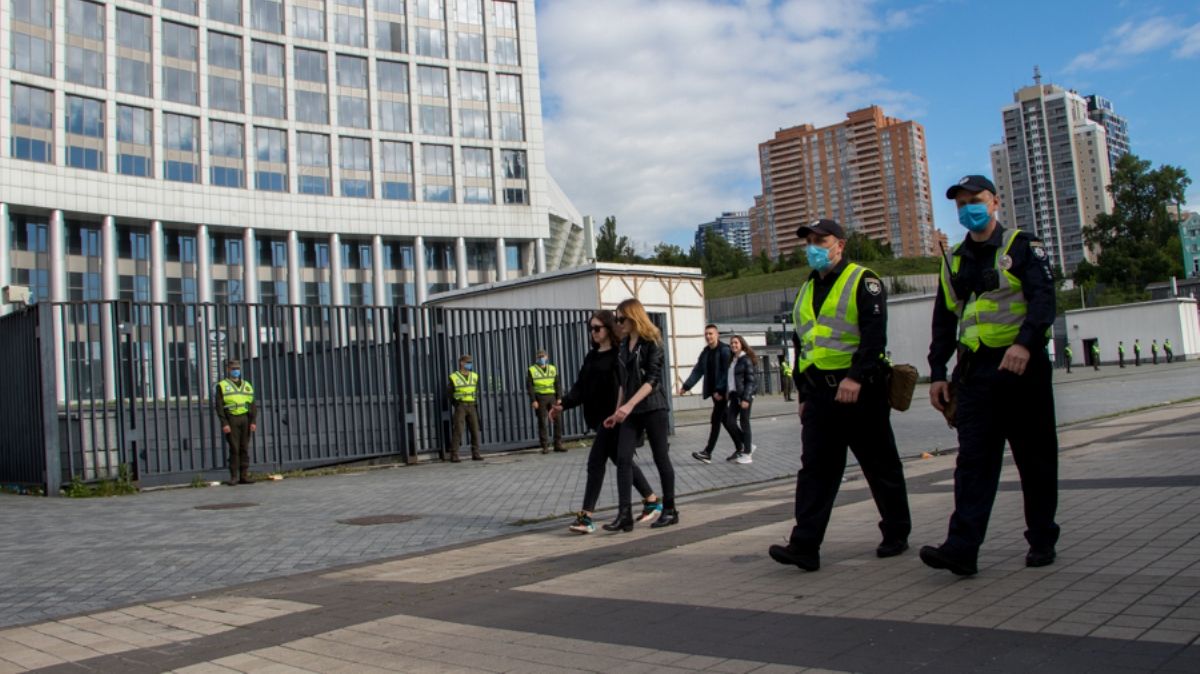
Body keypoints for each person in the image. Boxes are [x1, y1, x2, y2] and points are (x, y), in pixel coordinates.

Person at [923, 175, 1060, 577]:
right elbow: (944, 320)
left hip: (1021, 368)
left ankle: (1041, 538)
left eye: (975, 200)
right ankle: (961, 549)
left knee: (1034, 459)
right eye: (961, 203)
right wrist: (936, 372)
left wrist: (1025, 343)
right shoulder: (955, 260)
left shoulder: (1021, 246)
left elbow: (1043, 300)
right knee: (973, 464)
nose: (968, 209)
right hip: (976, 372)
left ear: (995, 201)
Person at [768, 219, 911, 572]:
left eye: (821, 240)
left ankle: (896, 531)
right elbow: (802, 344)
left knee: (880, 465)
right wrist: (802, 394)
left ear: (840, 244)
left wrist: (856, 377)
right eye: (810, 241)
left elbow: (875, 335)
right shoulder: (805, 289)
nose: (814, 246)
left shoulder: (864, 280)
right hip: (818, 396)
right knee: (815, 471)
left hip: (859, 391)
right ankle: (804, 546)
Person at [551, 310, 663, 534]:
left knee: (595, 463)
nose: (593, 332)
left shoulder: (618, 355)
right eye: (591, 328)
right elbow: (581, 387)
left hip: (614, 418)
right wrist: (563, 404)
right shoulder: (592, 356)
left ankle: (586, 516)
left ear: (609, 329)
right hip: (599, 419)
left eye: (597, 328)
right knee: (622, 462)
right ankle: (651, 500)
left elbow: (625, 386)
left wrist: (620, 412)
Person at [604, 298, 678, 531]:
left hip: (653, 407)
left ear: (634, 317)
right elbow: (623, 383)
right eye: (616, 319)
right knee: (623, 458)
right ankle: (624, 514)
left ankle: (669, 509)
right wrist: (618, 410)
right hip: (631, 411)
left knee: (660, 457)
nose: (618, 323)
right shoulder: (624, 345)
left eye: (621, 319)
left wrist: (629, 405)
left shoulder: (651, 341)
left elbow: (652, 380)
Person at [680, 325, 736, 464]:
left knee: (715, 420)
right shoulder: (706, 352)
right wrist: (686, 386)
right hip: (714, 393)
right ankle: (743, 446)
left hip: (721, 393)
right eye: (706, 334)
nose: (708, 336)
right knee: (726, 421)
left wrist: (720, 390)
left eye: (711, 333)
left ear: (717, 334)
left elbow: (727, 372)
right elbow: (698, 370)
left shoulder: (724, 350)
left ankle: (708, 452)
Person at [214, 359, 257, 485]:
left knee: (244, 447)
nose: (236, 371)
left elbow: (252, 405)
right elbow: (219, 406)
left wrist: (253, 421)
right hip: (231, 418)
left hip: (245, 418)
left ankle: (244, 475)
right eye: (233, 369)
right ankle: (234, 476)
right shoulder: (222, 385)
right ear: (228, 370)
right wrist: (224, 423)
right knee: (234, 448)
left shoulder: (247, 385)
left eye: (237, 369)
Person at [726, 336, 758, 464]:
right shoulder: (733, 360)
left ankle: (747, 454)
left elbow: (750, 380)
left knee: (744, 423)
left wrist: (746, 398)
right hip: (734, 395)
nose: (733, 345)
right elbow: (731, 379)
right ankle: (748, 444)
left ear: (742, 344)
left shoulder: (745, 360)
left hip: (744, 396)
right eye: (731, 343)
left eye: (736, 343)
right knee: (730, 422)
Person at [527, 349, 564, 454]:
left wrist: (559, 397)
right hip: (540, 398)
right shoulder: (532, 370)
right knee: (542, 422)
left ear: (547, 357)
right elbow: (530, 387)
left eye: (543, 356)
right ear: (536, 358)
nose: (541, 358)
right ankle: (545, 446)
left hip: (552, 397)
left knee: (558, 420)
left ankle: (558, 444)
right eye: (539, 357)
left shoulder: (552, 368)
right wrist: (533, 400)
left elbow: (557, 384)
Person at [447, 355, 483, 462]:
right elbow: (449, 393)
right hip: (461, 406)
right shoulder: (454, 377)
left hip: (472, 405)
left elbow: (475, 391)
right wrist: (457, 404)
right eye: (468, 362)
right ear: (461, 363)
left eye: (471, 362)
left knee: (475, 430)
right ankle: (454, 455)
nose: (470, 364)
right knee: (458, 430)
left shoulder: (475, 376)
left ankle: (476, 453)